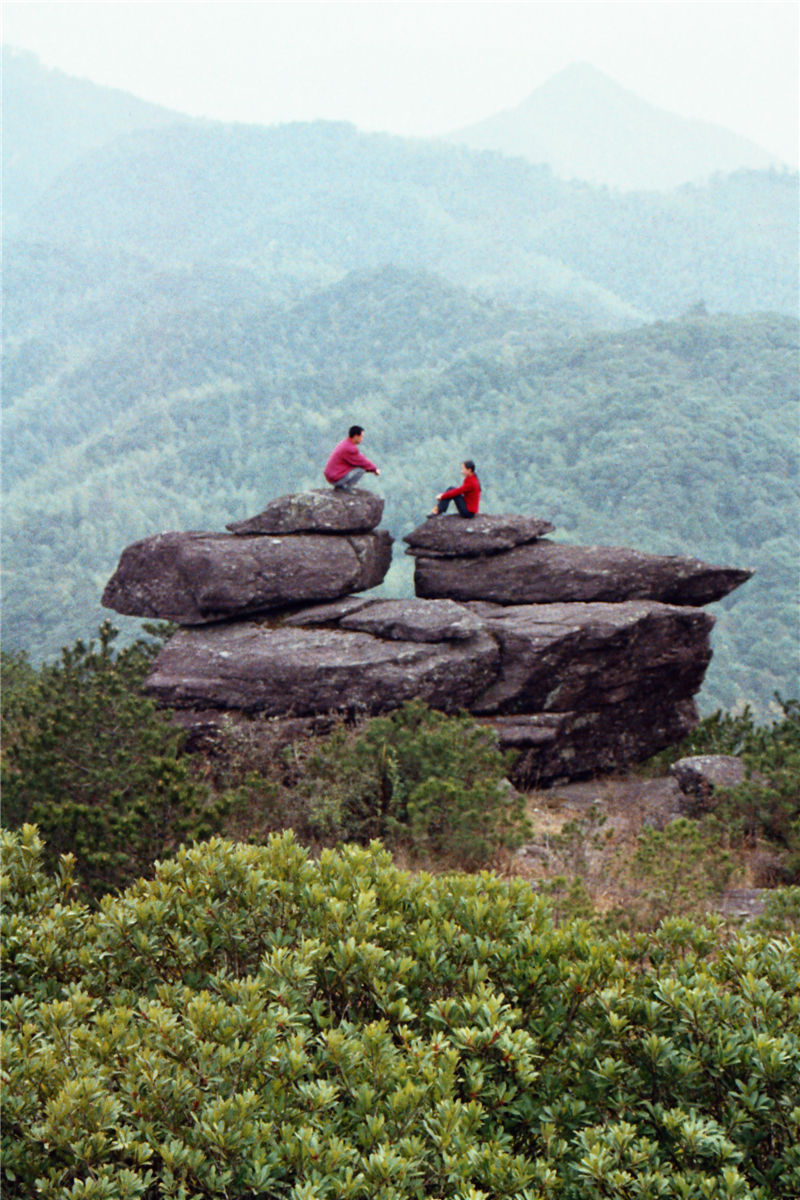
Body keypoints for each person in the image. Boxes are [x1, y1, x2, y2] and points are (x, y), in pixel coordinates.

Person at [324, 425, 381, 492]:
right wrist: (375, 469)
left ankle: (341, 486)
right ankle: (347, 488)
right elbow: (362, 461)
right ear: (356, 436)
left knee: (357, 466)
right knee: (361, 469)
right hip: (335, 479)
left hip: (332, 477)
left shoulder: (345, 443)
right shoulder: (350, 448)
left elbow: (360, 459)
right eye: (361, 436)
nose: (362, 439)